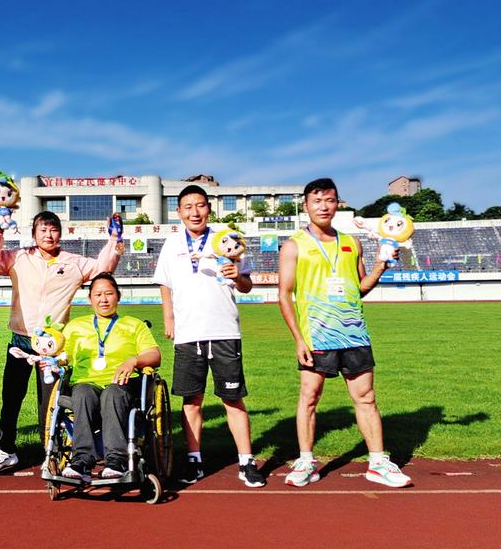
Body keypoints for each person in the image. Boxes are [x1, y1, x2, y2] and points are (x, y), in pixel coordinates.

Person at [277, 177, 412, 488]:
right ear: (306, 206)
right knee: (309, 397)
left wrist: (380, 266)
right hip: (316, 335)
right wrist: (298, 339)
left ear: (337, 204)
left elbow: (360, 287)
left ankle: (377, 463)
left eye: (330, 200)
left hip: (354, 333)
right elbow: (284, 295)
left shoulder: (352, 242)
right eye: (317, 201)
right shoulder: (294, 245)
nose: (324, 206)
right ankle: (306, 461)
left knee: (366, 398)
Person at [0, 211, 122, 471]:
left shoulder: (73, 263)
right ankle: (5, 449)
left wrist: (114, 240)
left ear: (61, 233)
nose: (48, 235)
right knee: (11, 398)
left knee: (51, 403)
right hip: (21, 341)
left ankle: (52, 452)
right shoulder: (18, 257)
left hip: (54, 346)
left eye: (53, 230)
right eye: (43, 230)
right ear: (34, 233)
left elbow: (103, 269)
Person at [154, 185, 265, 488]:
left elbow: (247, 286)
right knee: (191, 401)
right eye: (188, 207)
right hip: (188, 333)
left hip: (224, 330)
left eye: (200, 205)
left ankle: (246, 462)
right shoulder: (172, 243)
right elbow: (164, 284)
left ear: (209, 208)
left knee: (233, 399)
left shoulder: (227, 239)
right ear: (179, 212)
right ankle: (194, 460)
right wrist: (169, 318)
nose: (195, 212)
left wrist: (238, 277)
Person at [60, 273, 161, 480]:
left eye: (109, 294)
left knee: (112, 395)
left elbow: (154, 355)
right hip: (86, 382)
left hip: (121, 383)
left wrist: (134, 361)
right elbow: (63, 357)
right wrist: (54, 360)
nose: (103, 299)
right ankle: (81, 460)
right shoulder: (75, 327)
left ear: (118, 296)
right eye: (98, 295)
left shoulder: (134, 325)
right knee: (82, 394)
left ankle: (116, 460)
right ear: (90, 299)